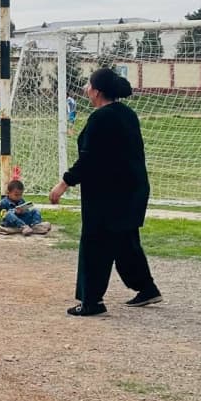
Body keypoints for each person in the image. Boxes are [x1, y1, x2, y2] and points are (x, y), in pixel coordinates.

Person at [50, 68, 160, 315]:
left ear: (97, 91)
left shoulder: (101, 118)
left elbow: (90, 160)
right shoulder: (126, 114)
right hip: (133, 190)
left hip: (109, 195)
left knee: (95, 244)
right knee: (124, 242)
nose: (85, 89)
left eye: (88, 85)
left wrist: (64, 183)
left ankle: (91, 302)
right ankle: (147, 289)